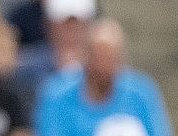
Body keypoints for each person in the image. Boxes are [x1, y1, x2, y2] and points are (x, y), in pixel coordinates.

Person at [35, 19, 172, 136]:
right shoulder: (56, 95)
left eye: (112, 58)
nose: (104, 67)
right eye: (99, 58)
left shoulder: (141, 92)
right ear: (86, 57)